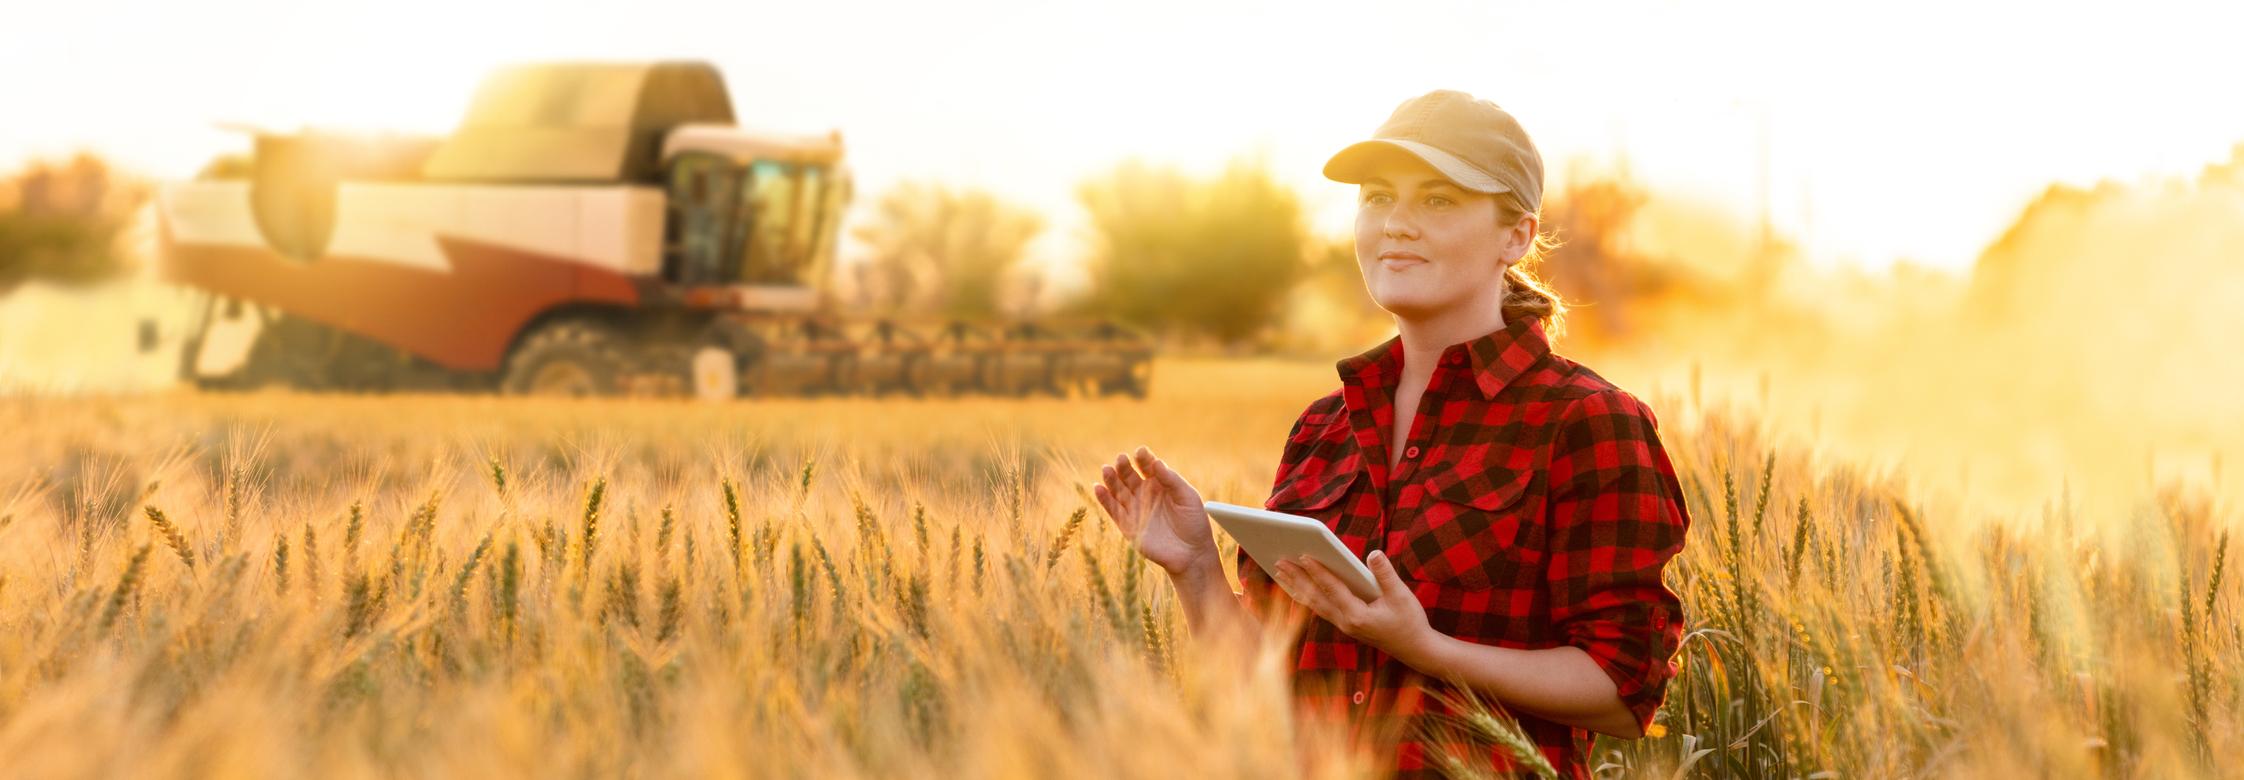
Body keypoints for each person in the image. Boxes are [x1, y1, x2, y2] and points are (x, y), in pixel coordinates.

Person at [1090, 90, 1690, 779]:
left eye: (1437, 201)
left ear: (1516, 236)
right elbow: (1259, 685)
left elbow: (1624, 691)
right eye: (1377, 198)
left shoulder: (1586, 421)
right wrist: (1195, 568)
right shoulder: (1323, 428)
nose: (1396, 224)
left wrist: (1428, 650)